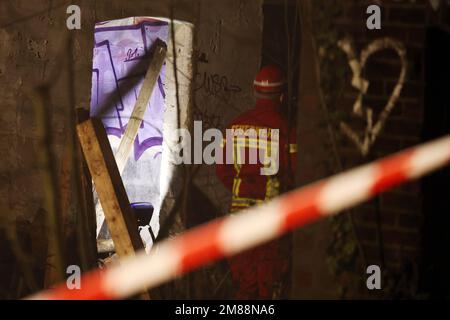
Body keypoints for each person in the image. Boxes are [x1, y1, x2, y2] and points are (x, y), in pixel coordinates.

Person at [215, 65, 297, 299]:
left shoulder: (235, 126)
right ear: (282, 95)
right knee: (269, 284)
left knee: (244, 283)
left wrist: (242, 189)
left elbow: (222, 170)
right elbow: (295, 172)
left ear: (254, 92)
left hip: (240, 217)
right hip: (272, 218)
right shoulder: (288, 130)